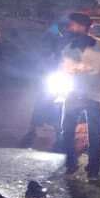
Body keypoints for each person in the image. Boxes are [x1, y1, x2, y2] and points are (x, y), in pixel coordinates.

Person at [54, 12, 100, 180]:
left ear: (82, 27)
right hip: (72, 95)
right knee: (66, 132)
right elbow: (63, 72)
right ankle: (71, 164)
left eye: (72, 25)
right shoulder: (68, 49)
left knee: (94, 135)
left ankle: (93, 170)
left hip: (94, 97)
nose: (69, 28)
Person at [19, 19, 66, 148]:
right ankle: (33, 129)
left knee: (61, 104)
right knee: (42, 102)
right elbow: (43, 55)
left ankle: (59, 132)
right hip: (49, 73)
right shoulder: (49, 37)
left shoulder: (66, 39)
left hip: (62, 72)